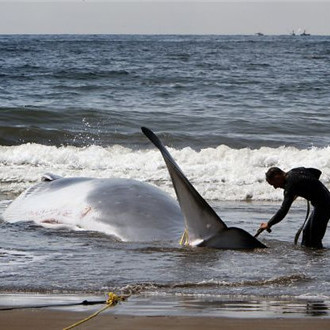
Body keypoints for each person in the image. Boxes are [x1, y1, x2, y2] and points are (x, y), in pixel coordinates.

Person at [258, 166, 330, 248]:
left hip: (324, 205)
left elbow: (283, 210)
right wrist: (306, 188)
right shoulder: (295, 171)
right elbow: (317, 172)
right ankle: (313, 257)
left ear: (277, 177)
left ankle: (318, 258)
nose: (275, 187)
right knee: (307, 233)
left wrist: (269, 224)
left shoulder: (290, 185)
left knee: (313, 238)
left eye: (273, 184)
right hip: (323, 202)